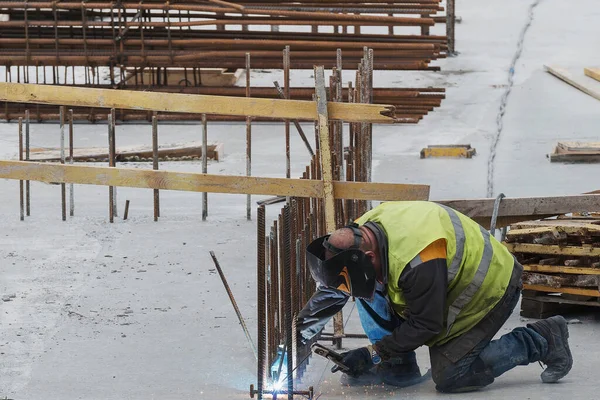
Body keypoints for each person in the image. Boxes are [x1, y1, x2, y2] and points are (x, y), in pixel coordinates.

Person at [295, 201, 572, 392]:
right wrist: (300, 335)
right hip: (438, 282)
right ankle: (399, 368)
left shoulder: (417, 260)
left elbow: (426, 324)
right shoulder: (361, 232)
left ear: (367, 256)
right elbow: (337, 285)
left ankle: (541, 338)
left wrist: (373, 354)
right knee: (367, 286)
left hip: (488, 288)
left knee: (451, 377)